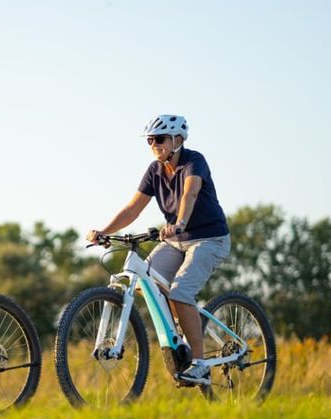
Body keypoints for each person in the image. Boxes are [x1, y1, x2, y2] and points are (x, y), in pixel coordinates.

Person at [86, 114, 230, 383]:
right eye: (150, 140)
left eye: (160, 139)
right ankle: (182, 329)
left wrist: (179, 223)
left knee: (181, 292)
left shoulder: (193, 161)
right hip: (175, 241)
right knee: (145, 283)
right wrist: (105, 231)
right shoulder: (154, 170)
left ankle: (200, 364)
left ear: (177, 140)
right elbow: (132, 208)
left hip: (209, 239)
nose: (154, 144)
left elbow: (190, 194)